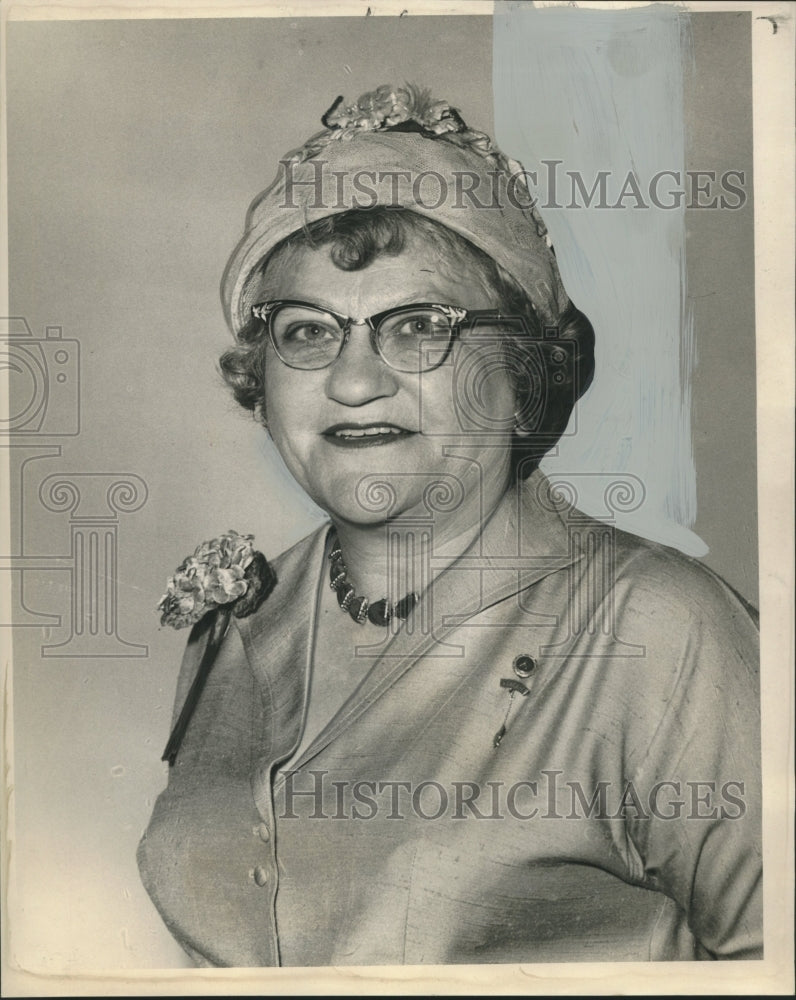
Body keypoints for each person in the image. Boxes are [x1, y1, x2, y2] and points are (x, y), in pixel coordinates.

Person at [137, 84, 762, 966]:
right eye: (309, 332)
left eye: (420, 327)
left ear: (527, 369)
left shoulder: (659, 627)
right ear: (261, 374)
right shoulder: (234, 627)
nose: (355, 381)